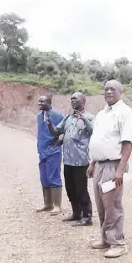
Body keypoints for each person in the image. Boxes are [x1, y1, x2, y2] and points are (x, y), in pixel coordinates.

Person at [87, 80, 132, 258]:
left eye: (112, 89)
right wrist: (92, 163)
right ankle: (105, 239)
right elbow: (99, 140)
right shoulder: (101, 114)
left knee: (113, 204)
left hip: (113, 165)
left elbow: (127, 143)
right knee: (101, 204)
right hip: (99, 164)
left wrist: (120, 170)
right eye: (106, 89)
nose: (108, 91)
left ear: (120, 92)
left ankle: (118, 242)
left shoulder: (126, 113)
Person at [47, 92, 95, 227]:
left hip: (81, 161)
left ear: (83, 100)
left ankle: (87, 217)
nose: (72, 100)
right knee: (70, 189)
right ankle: (76, 213)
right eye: (71, 98)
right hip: (68, 160)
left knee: (81, 190)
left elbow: (94, 132)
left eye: (75, 98)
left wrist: (84, 119)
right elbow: (57, 132)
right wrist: (49, 123)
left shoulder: (90, 117)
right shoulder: (68, 118)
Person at [36, 95, 64, 215]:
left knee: (54, 177)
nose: (39, 103)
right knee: (44, 178)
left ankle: (57, 206)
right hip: (42, 152)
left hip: (53, 151)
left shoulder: (58, 116)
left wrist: (60, 141)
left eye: (42, 101)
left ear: (49, 102)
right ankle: (47, 204)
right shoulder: (39, 116)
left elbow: (65, 130)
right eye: (39, 101)